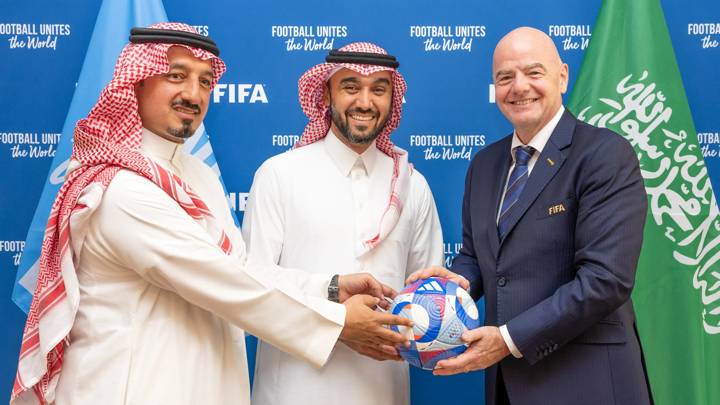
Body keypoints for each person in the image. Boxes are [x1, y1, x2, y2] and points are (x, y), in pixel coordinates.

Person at [11, 24, 411, 405]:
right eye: (176, 76)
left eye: (205, 81)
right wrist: (338, 322)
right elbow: (226, 283)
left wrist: (329, 286)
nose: (193, 93)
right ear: (137, 81)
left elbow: (241, 267)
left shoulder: (197, 175)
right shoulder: (119, 189)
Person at [408, 27, 652, 404]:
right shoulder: (485, 164)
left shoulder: (604, 155)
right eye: (505, 77)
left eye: (533, 72)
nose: (519, 87)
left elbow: (605, 280)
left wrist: (507, 340)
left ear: (562, 76)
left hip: (589, 385)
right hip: (509, 387)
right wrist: (456, 285)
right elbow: (477, 257)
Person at [243, 42, 444, 405]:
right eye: (351, 87)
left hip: (384, 392)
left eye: (378, 90)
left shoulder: (412, 185)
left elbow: (425, 297)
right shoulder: (279, 175)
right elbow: (251, 287)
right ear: (326, 94)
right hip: (292, 391)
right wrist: (336, 318)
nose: (365, 102)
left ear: (392, 99)